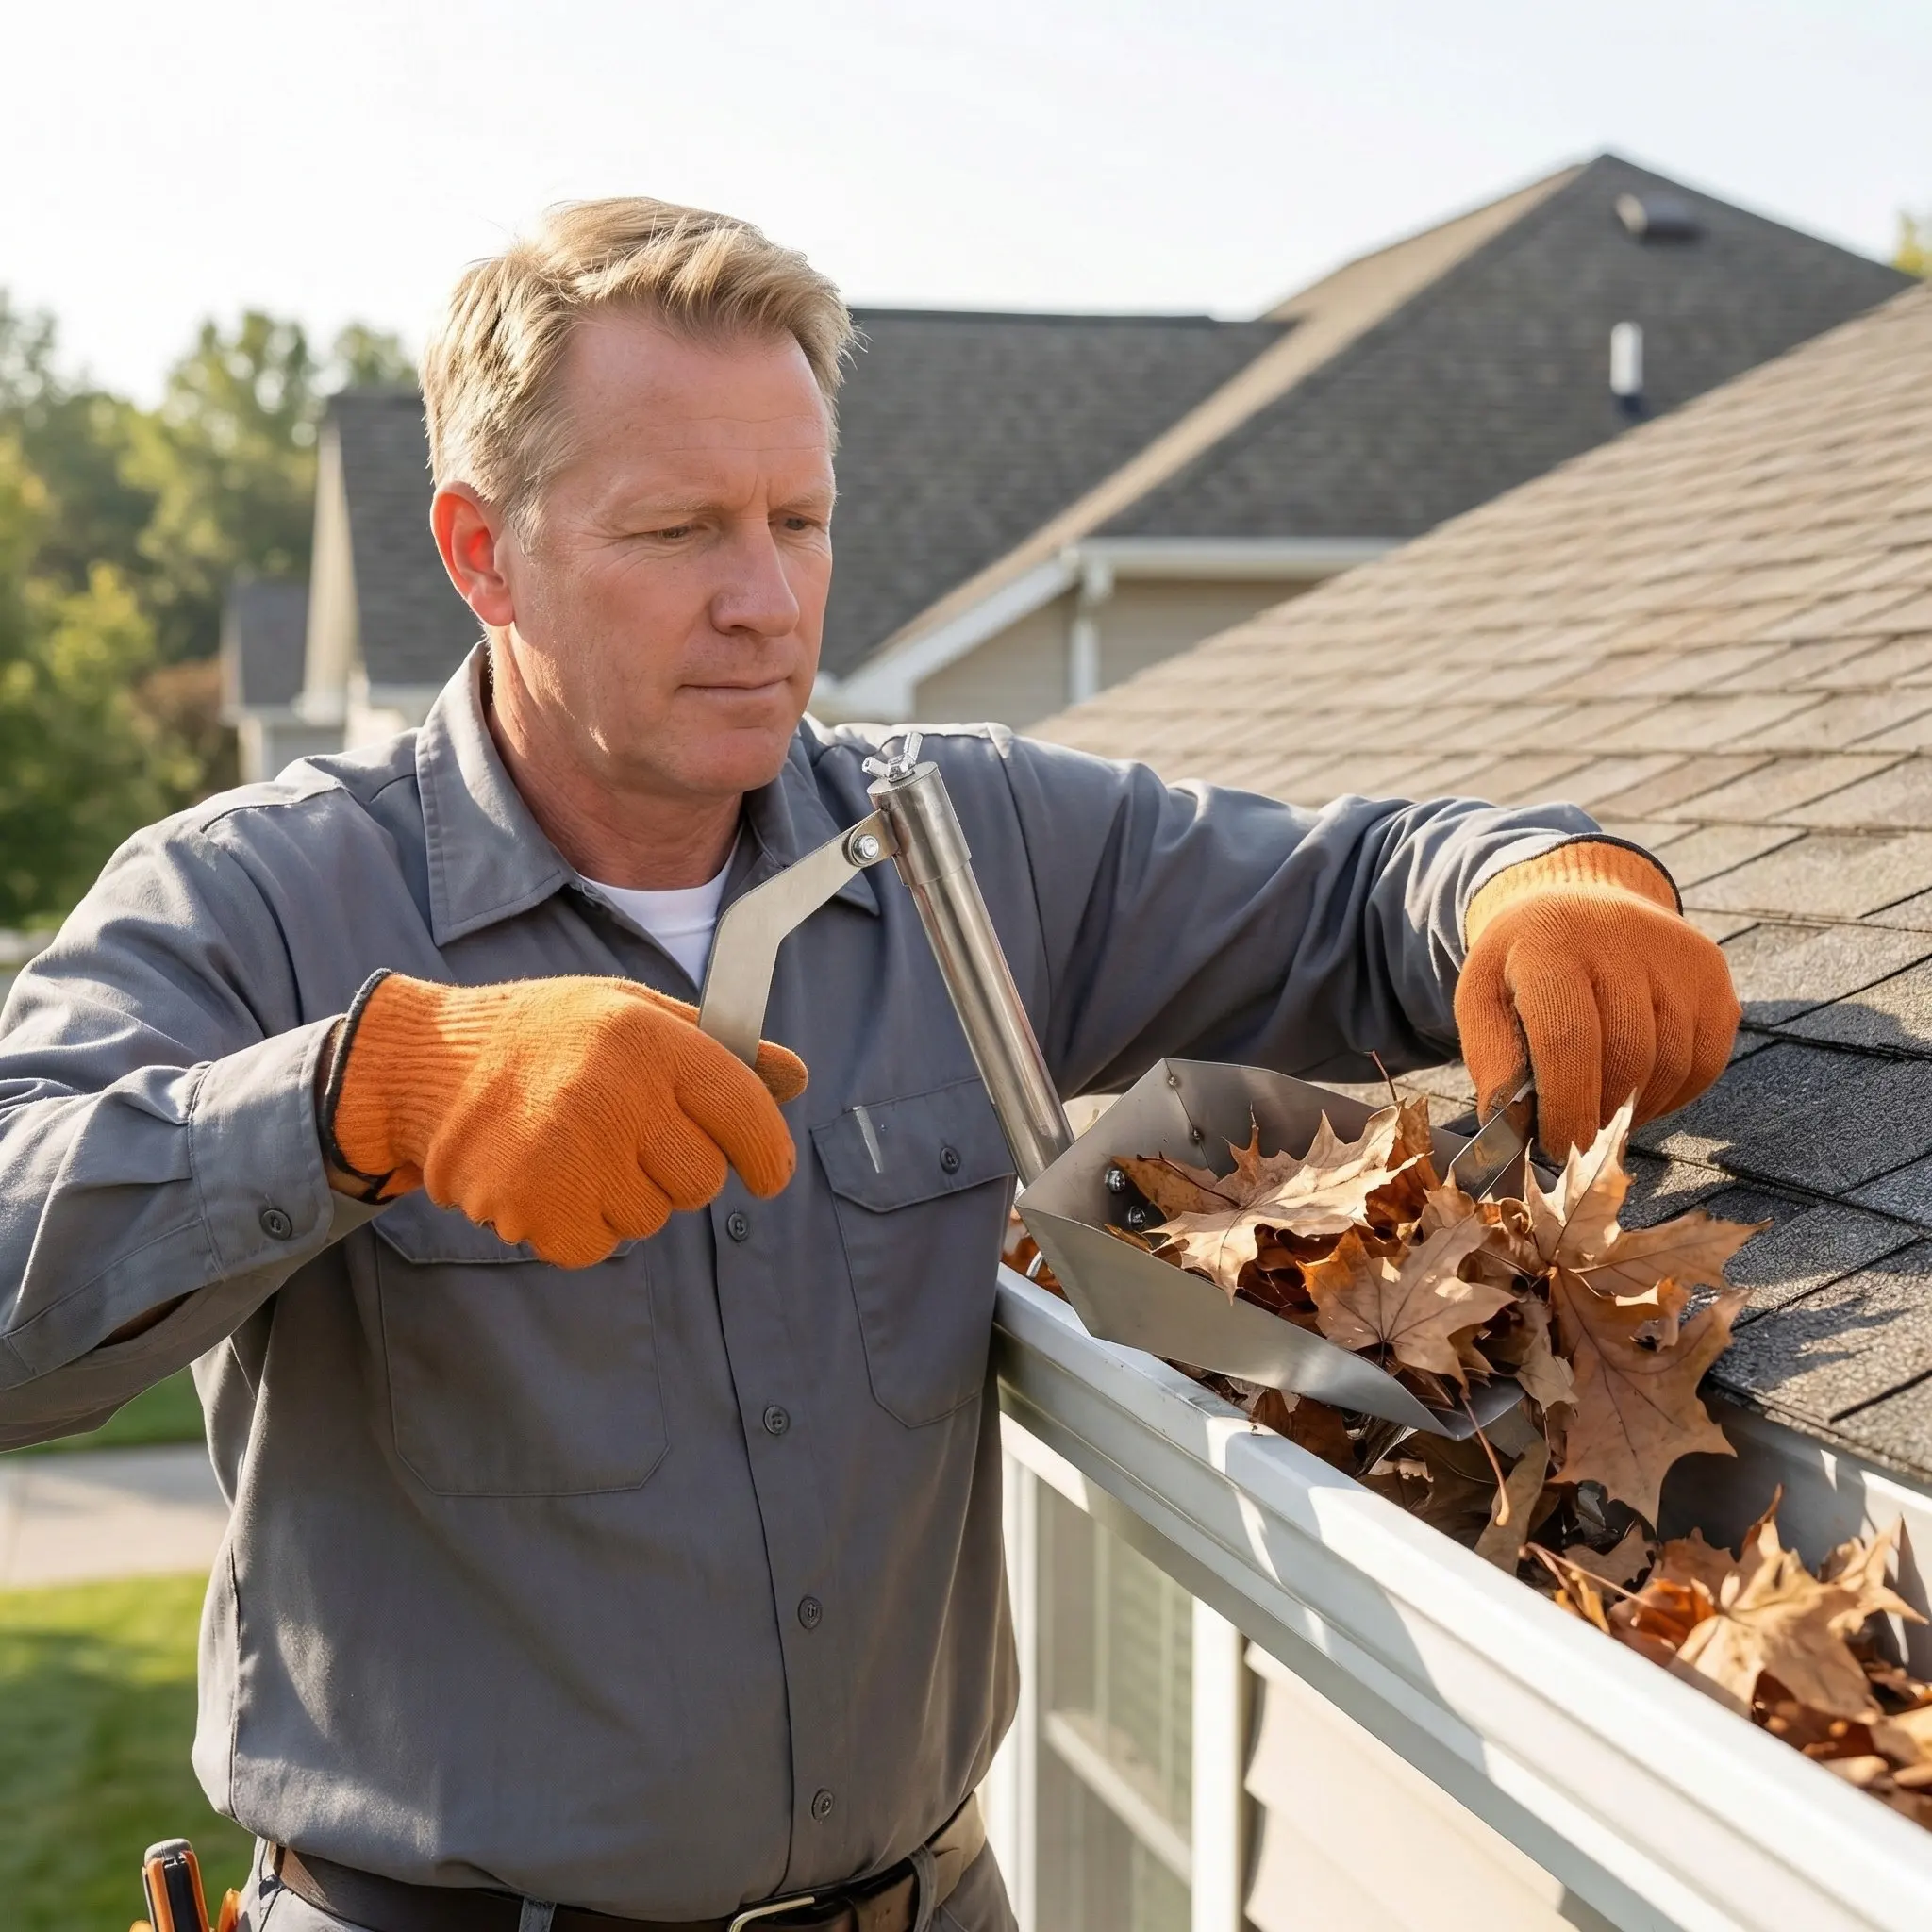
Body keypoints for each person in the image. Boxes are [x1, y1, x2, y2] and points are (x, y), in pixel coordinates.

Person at [0, 199, 1739, 1932]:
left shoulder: (964, 841)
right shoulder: (257, 898)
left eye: (800, 519)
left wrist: (1545, 886)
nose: (765, 602)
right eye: (678, 529)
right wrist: (366, 1098)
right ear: (481, 552)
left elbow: (1362, 888)